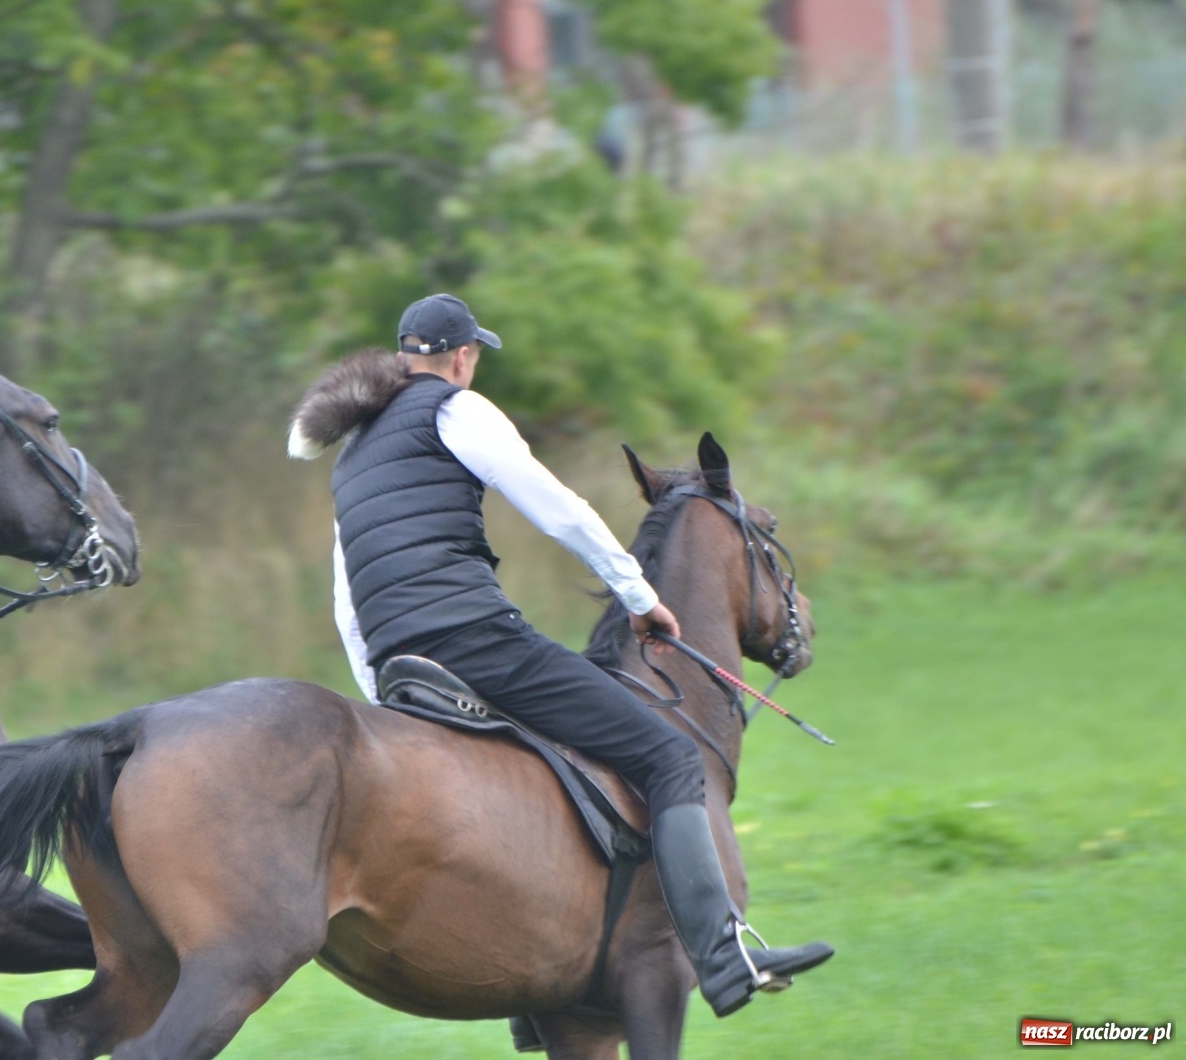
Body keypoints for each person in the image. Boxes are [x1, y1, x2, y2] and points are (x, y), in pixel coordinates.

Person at [288, 293, 832, 1017]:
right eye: (472, 356)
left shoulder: (354, 455)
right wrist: (639, 596)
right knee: (668, 758)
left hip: (402, 665)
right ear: (462, 356)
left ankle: (549, 1002)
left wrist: (383, 686)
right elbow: (556, 506)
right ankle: (723, 955)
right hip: (475, 642)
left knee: (537, 777)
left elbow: (345, 598)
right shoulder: (457, 409)